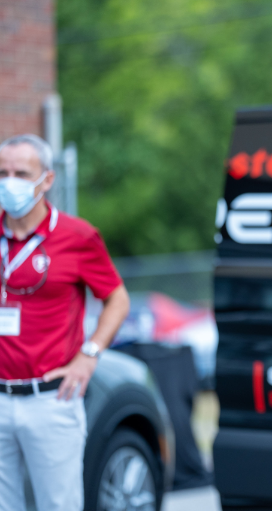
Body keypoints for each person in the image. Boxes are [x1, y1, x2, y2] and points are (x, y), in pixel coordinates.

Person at [0, 134, 130, 511]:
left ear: (47, 179)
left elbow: (117, 299)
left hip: (51, 399)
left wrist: (89, 355)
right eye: (3, 172)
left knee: (59, 505)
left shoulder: (77, 236)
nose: (10, 181)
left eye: (21, 173)